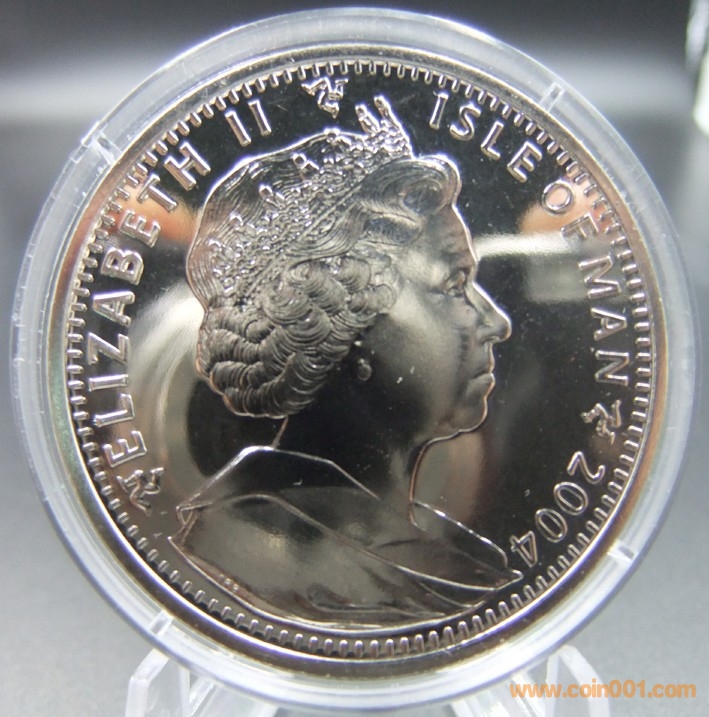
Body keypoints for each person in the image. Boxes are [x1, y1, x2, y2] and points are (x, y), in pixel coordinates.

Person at [170, 97, 520, 629]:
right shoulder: (256, 547)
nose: (497, 322)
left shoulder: (443, 556)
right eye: (454, 284)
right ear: (350, 325)